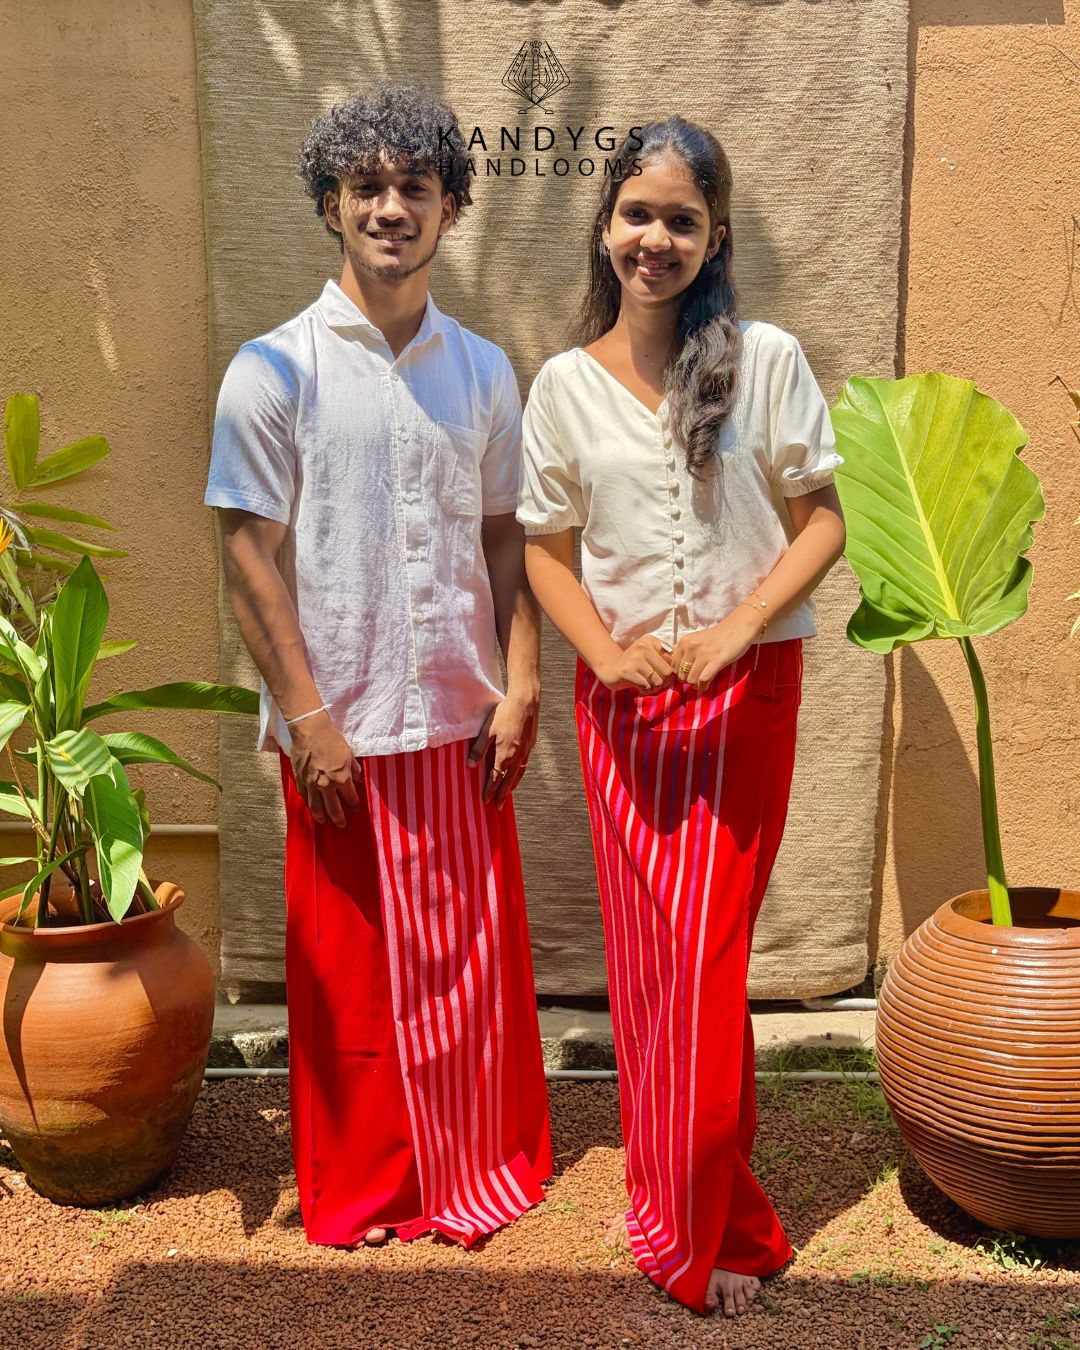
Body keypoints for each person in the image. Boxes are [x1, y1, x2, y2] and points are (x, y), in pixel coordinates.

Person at [205, 85, 552, 1251]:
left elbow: (506, 537)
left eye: (415, 186)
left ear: (451, 204)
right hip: (339, 730)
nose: (391, 207)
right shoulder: (273, 372)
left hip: (461, 717)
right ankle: (365, 1188)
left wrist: (522, 681)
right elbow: (249, 553)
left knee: (465, 970)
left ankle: (473, 1171)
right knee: (350, 982)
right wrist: (307, 717)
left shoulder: (487, 374)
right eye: (367, 187)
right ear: (330, 204)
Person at [517, 117, 846, 1316]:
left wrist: (732, 631)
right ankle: (692, 1198)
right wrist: (604, 653)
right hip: (624, 720)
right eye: (637, 214)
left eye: (681, 220)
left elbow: (824, 520)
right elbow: (546, 549)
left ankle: (709, 1227)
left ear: (714, 239)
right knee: (652, 972)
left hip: (747, 702)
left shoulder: (763, 361)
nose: (655, 238)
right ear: (605, 226)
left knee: (702, 967)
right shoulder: (559, 384)